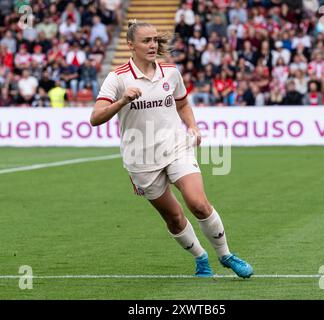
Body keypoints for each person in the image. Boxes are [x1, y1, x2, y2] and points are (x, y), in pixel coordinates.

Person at [90, 20, 253, 278]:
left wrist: (193, 127)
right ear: (131, 45)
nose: (153, 45)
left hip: (177, 147)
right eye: (146, 41)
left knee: (198, 203)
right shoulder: (117, 78)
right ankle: (201, 258)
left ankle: (225, 255)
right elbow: (95, 117)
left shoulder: (170, 72)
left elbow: (183, 104)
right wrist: (122, 100)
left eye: (155, 40)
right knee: (174, 218)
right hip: (141, 160)